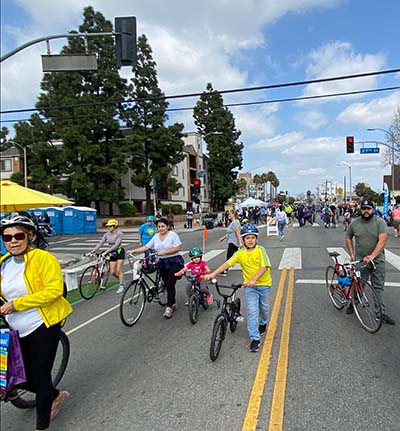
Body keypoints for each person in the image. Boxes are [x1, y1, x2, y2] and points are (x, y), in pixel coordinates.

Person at [0, 215, 73, 431]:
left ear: (30, 236)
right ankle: (55, 394)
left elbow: (53, 291)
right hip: (15, 327)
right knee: (18, 377)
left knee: (40, 379)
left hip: (43, 323)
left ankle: (41, 426)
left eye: (18, 235)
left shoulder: (43, 259)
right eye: (7, 237)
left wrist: (16, 304)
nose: (13, 241)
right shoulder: (3, 262)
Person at [205, 225, 272, 353]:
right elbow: (227, 263)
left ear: (256, 239)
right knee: (252, 311)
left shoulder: (260, 250)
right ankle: (255, 339)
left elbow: (264, 267)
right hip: (249, 287)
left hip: (264, 285)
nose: (250, 240)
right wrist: (212, 274)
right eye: (247, 238)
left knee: (264, 308)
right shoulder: (240, 253)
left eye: (253, 237)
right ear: (243, 239)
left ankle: (263, 323)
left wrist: (254, 279)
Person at [345, 199, 395, 325]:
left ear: (373, 209)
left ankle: (380, 314)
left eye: (368, 208)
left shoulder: (380, 222)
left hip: (377, 261)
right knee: (360, 285)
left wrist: (372, 256)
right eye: (363, 208)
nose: (366, 211)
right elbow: (348, 237)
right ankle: (353, 303)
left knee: (378, 287)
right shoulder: (355, 223)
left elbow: (382, 240)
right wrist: (351, 254)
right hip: (361, 261)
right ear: (360, 209)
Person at [129, 218, 184, 318]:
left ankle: (169, 307)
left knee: (170, 283)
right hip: (162, 262)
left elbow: (178, 248)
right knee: (167, 283)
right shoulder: (155, 237)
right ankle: (171, 300)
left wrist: (164, 252)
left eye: (163, 226)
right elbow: (146, 247)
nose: (161, 228)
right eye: (158, 227)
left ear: (167, 227)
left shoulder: (172, 235)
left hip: (174, 261)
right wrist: (134, 251)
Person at [86, 219, 125, 294]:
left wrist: (106, 252)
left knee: (118, 270)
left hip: (119, 251)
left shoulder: (120, 234)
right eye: (108, 226)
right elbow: (100, 244)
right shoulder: (106, 235)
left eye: (110, 226)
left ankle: (121, 285)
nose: (109, 228)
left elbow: (116, 245)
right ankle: (121, 280)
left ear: (115, 226)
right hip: (112, 253)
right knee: (112, 272)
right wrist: (92, 252)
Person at [218, 209, 243, 276]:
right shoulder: (233, 222)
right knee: (238, 256)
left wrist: (240, 242)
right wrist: (223, 238)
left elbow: (237, 232)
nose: (229, 215)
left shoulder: (235, 222)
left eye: (230, 214)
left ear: (233, 214)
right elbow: (230, 232)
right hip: (232, 241)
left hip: (233, 242)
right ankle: (246, 267)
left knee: (229, 256)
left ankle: (224, 270)